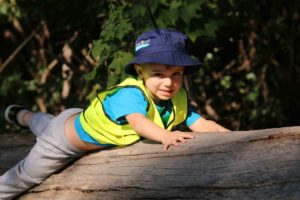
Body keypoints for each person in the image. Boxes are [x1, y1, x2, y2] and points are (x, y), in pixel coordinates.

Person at [0, 28, 229, 199]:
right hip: (62, 143)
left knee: (44, 123)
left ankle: (22, 115)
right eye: (159, 73)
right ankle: (22, 121)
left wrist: (229, 137)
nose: (169, 82)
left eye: (177, 74)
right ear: (140, 71)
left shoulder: (176, 98)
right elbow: (139, 123)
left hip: (72, 119)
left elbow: (201, 123)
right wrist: (166, 136)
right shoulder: (130, 95)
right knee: (23, 178)